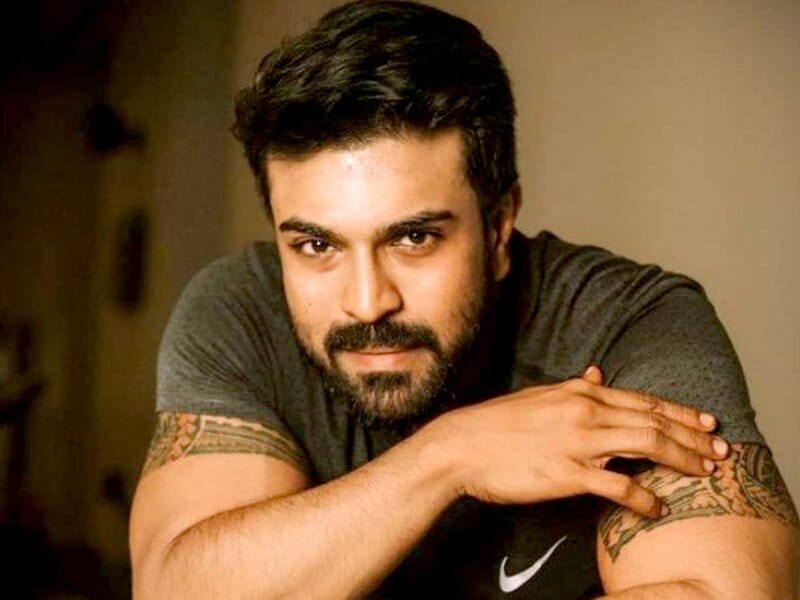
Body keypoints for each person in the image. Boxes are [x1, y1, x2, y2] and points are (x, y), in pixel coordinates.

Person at [129, 1, 799, 598]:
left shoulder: (628, 321)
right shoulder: (241, 309)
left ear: (499, 227)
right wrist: (444, 458)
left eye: (413, 238)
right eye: (315, 245)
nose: (366, 303)